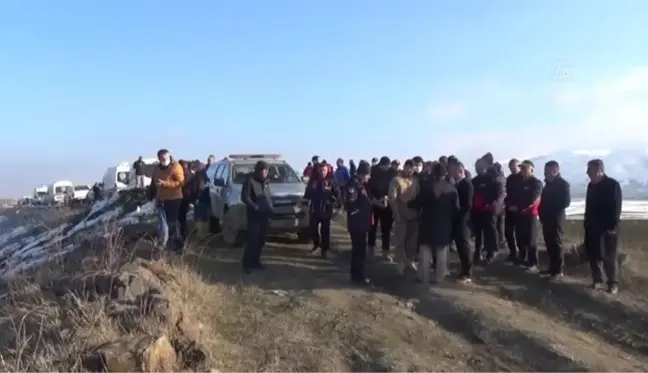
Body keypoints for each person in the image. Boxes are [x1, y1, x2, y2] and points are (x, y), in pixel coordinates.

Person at [408, 162, 459, 284]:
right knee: (441, 251)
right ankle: (439, 278)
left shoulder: (426, 187)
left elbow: (416, 203)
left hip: (427, 222)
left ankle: (422, 277)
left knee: (425, 250)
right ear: (445, 173)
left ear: (433, 173)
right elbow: (456, 209)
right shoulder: (451, 189)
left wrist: (408, 203)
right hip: (444, 224)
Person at [583, 159, 622, 294]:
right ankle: (597, 279)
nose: (588, 173)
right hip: (592, 227)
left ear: (599, 170)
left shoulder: (612, 185)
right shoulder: (591, 186)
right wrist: (586, 223)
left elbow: (616, 208)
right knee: (593, 255)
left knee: (609, 256)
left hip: (607, 228)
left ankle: (613, 283)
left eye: (590, 170)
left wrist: (612, 226)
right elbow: (588, 206)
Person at [539, 160, 571, 278]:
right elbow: (542, 201)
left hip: (556, 218)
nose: (545, 173)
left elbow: (565, 202)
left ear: (554, 170)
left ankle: (558, 269)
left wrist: (550, 208)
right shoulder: (548, 184)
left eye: (547, 171)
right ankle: (552, 268)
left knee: (556, 243)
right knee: (549, 243)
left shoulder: (563, 184)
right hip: (546, 218)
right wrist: (541, 213)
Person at [241, 161, 274, 273]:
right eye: (263, 170)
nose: (265, 173)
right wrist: (254, 206)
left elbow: (268, 197)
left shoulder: (266, 182)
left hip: (264, 215)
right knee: (253, 240)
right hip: (254, 216)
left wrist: (270, 209)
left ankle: (256, 261)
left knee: (261, 240)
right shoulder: (250, 181)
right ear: (258, 170)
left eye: (267, 170)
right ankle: (247, 264)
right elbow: (244, 197)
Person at [149, 149, 185, 251]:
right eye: (162, 158)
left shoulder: (176, 167)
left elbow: (180, 182)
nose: (164, 160)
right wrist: (151, 193)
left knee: (172, 223)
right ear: (159, 158)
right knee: (162, 224)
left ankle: (177, 246)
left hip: (174, 198)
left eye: (166, 158)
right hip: (161, 198)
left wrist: (165, 184)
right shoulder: (157, 168)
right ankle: (164, 244)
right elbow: (153, 182)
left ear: (169, 157)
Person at [388, 159, 419, 275]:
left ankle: (410, 260)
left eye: (413, 167)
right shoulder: (396, 180)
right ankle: (400, 262)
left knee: (412, 240)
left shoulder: (415, 180)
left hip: (414, 215)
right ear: (404, 167)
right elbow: (392, 198)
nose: (410, 169)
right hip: (401, 214)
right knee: (400, 240)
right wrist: (396, 213)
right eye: (408, 167)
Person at [345, 162, 373, 284]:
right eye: (368, 174)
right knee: (359, 250)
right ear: (363, 173)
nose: (369, 177)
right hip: (357, 222)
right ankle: (358, 276)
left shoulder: (359, 184)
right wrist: (361, 208)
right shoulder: (354, 184)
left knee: (359, 249)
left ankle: (355, 273)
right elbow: (351, 202)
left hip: (360, 222)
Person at [512, 160, 543, 272]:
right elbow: (514, 196)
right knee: (520, 238)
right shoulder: (519, 183)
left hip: (531, 215)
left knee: (531, 240)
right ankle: (522, 259)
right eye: (522, 168)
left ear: (532, 170)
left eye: (525, 168)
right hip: (520, 215)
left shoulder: (536, 183)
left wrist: (518, 207)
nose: (523, 170)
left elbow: (531, 199)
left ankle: (533, 263)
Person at [304, 163, 340, 258]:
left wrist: (334, 200)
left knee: (325, 230)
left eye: (324, 170)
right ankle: (316, 245)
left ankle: (325, 249)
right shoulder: (313, 181)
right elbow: (307, 194)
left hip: (326, 209)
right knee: (313, 229)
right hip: (315, 209)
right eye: (321, 170)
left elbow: (337, 193)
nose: (323, 172)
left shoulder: (331, 181)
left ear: (327, 170)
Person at [471, 158, 504, 264]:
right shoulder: (474, 181)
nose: (478, 169)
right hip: (477, 210)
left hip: (489, 210)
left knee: (490, 230)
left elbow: (499, 193)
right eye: (476, 167)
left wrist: (493, 204)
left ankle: (491, 251)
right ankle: (477, 252)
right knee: (478, 232)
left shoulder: (492, 179)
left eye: (480, 166)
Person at [368, 156, 397, 260]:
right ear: (380, 165)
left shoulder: (393, 172)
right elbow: (369, 187)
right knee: (372, 227)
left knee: (386, 229)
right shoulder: (373, 171)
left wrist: (389, 197)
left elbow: (395, 187)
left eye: (387, 166)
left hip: (387, 204)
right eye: (384, 166)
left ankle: (386, 251)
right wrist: (375, 200)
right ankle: (371, 247)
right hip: (375, 203)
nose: (386, 168)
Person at [450, 162, 474, 283]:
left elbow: (468, 205)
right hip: (458, 219)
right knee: (460, 245)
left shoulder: (467, 185)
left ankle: (467, 273)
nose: (453, 174)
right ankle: (463, 270)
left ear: (461, 171)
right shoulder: (458, 184)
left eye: (455, 172)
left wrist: (458, 214)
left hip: (464, 220)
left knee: (465, 246)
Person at [504, 158, 522, 262]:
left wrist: (518, 207)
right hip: (510, 209)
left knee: (520, 233)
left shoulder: (523, 178)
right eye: (511, 168)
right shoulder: (509, 179)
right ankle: (512, 252)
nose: (512, 170)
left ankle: (522, 254)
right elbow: (508, 194)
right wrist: (508, 205)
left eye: (514, 168)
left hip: (520, 210)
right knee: (508, 232)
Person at [489, 162, 507, 250]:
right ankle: (502, 242)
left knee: (495, 226)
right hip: (502, 205)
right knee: (500, 226)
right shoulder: (503, 178)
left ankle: (496, 244)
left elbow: (499, 193)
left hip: (497, 205)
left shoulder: (496, 180)